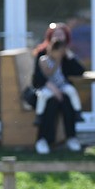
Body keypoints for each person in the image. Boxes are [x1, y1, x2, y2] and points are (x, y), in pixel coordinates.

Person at [31, 22, 85, 154]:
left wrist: (68, 56)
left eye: (61, 35)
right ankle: (42, 139)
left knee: (67, 101)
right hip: (44, 91)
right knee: (51, 102)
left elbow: (80, 71)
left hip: (62, 89)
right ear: (50, 37)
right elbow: (37, 79)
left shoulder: (66, 55)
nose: (59, 38)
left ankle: (71, 137)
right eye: (56, 35)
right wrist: (54, 89)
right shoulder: (42, 54)